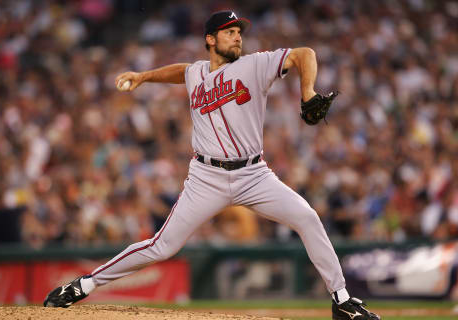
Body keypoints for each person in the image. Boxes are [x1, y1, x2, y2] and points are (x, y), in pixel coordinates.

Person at [44, 10, 380, 320]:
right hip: (206, 177)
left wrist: (307, 93)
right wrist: (143, 76)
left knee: (307, 217)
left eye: (238, 32)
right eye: (229, 32)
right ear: (210, 39)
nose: (237, 37)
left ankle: (342, 299)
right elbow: (181, 72)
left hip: (254, 174)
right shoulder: (197, 73)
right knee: (163, 245)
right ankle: (84, 285)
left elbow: (304, 53)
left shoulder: (255, 65)